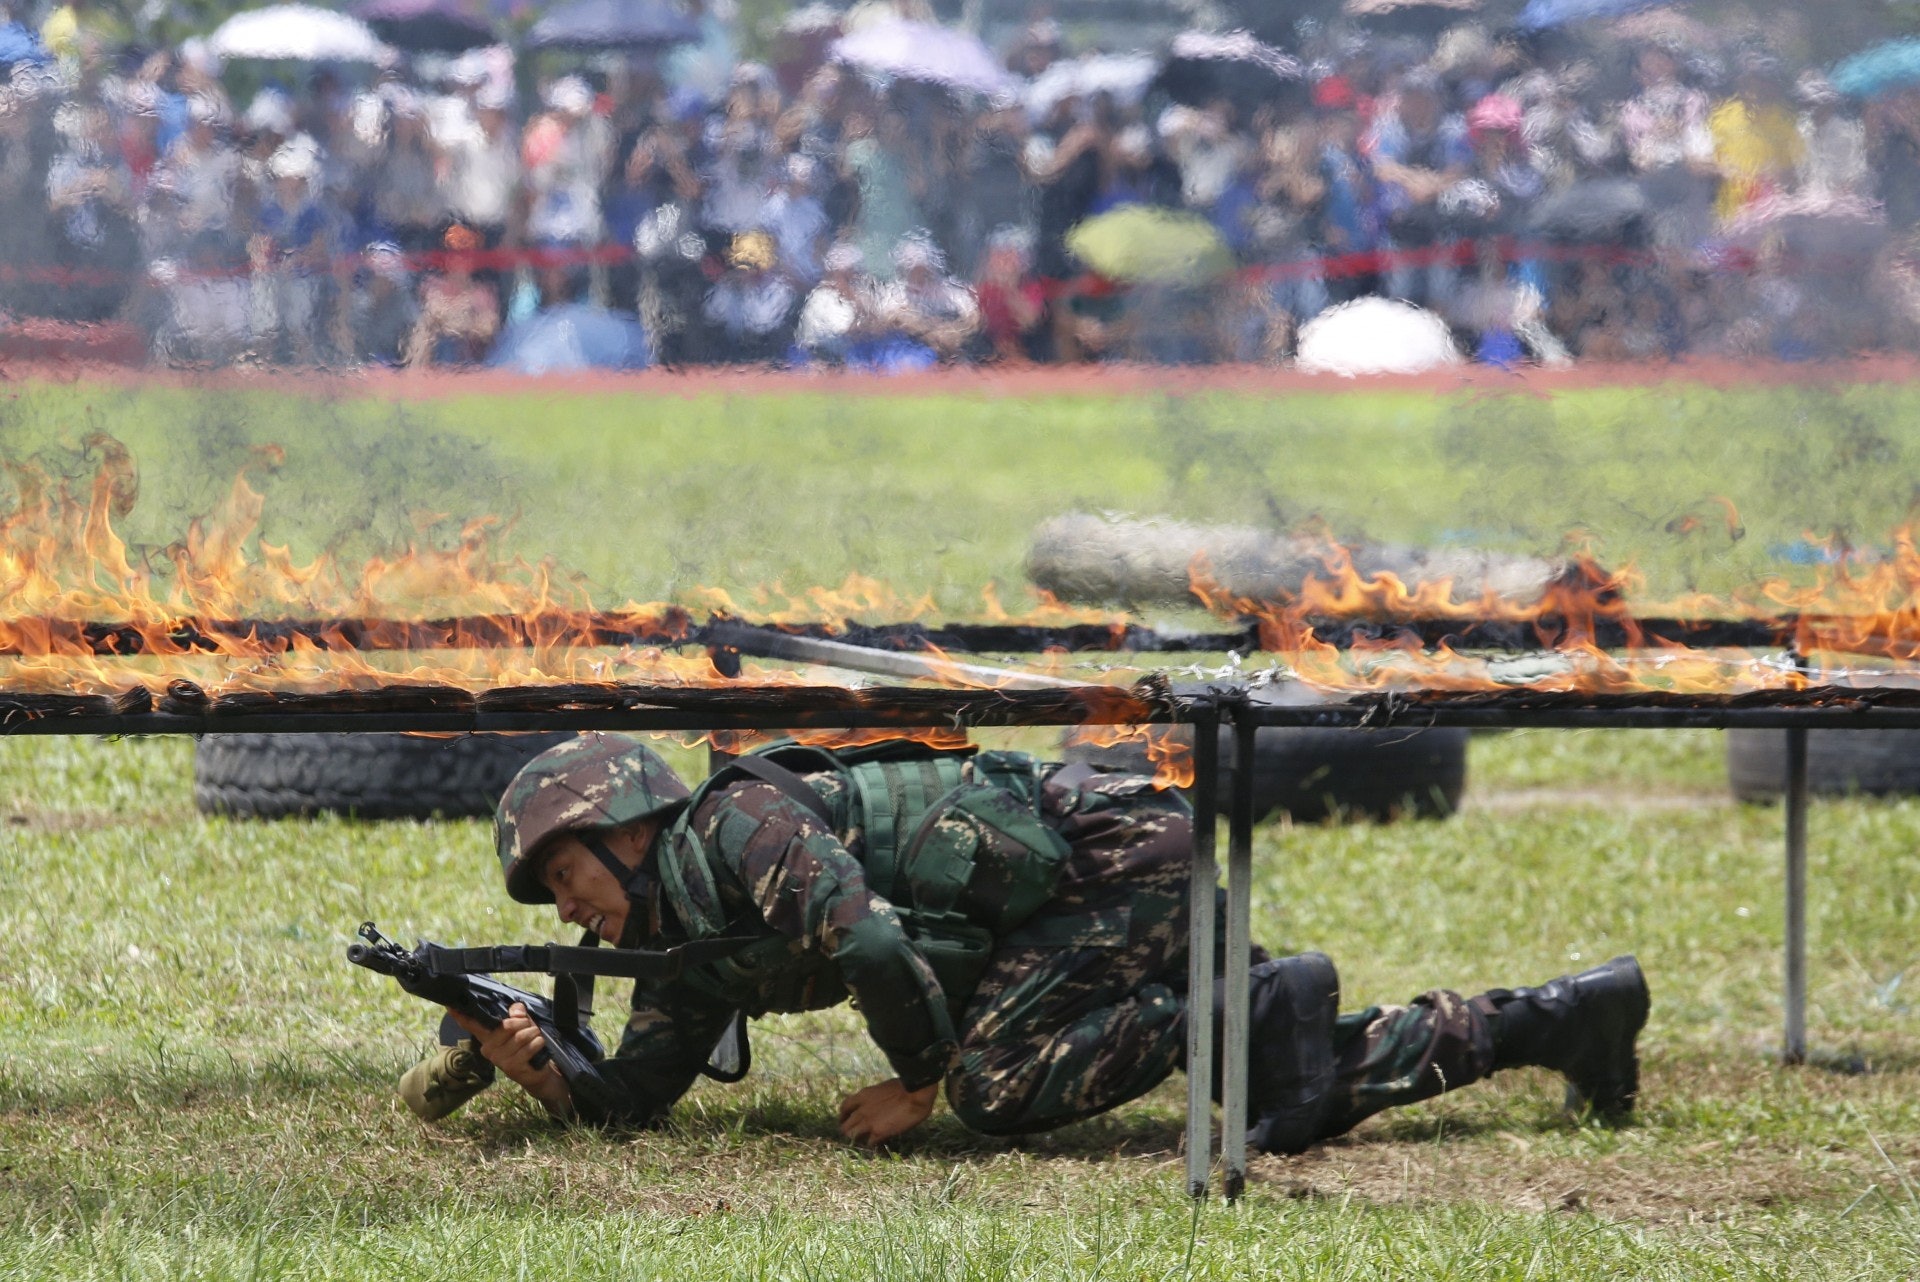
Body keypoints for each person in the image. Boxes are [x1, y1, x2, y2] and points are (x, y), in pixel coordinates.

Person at [443, 733, 1651, 1154]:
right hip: (1079, 901)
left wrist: (920, 1081)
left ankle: (1248, 994)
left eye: (565, 872)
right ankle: (1567, 1018)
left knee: (994, 1080)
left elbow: (865, 946)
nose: (564, 911)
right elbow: (638, 1095)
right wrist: (529, 1057)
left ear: (630, 826)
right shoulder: (682, 936)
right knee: (1288, 1092)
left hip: (1115, 859)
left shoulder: (740, 821)